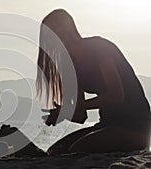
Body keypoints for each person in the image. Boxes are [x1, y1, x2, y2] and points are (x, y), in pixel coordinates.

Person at [36, 9, 151, 155]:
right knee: (55, 152)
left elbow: (116, 94)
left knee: (79, 150)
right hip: (107, 125)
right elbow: (81, 116)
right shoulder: (69, 66)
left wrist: (79, 106)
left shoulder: (99, 48)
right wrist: (63, 113)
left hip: (135, 126)